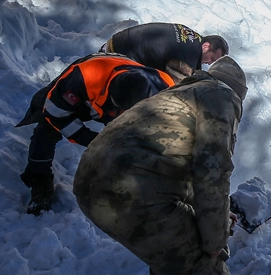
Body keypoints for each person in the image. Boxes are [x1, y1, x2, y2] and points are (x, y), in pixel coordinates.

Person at [73, 56, 264, 275]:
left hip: (90, 185)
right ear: (237, 93)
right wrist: (215, 239)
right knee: (204, 265)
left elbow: (167, 167)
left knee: (169, 240)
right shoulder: (221, 96)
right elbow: (211, 172)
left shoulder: (176, 96)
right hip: (135, 193)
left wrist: (209, 215)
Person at [16, 54, 180, 213]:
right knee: (45, 128)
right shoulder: (82, 78)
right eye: (119, 110)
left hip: (130, 82)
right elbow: (55, 113)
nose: (121, 115)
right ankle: (40, 182)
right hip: (92, 81)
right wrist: (93, 140)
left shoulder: (165, 91)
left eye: (126, 112)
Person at [101, 23, 229, 73]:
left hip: (117, 40)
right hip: (117, 56)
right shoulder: (190, 55)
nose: (209, 63)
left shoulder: (191, 36)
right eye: (212, 58)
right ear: (206, 46)